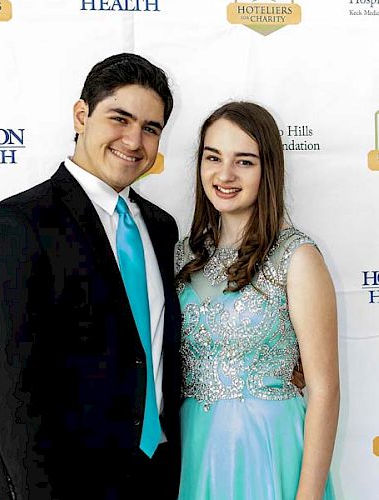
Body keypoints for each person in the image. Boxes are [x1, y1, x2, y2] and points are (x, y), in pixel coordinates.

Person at [0, 53, 182, 500]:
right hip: (58, 484)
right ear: (82, 115)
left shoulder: (161, 228)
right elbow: (9, 388)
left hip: (151, 479)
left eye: (150, 128)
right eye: (119, 118)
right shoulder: (19, 223)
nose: (134, 140)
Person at [175, 101, 339, 499]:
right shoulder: (183, 255)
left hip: (268, 448)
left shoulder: (297, 257)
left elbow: (324, 390)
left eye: (244, 162)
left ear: (268, 170)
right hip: (194, 448)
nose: (225, 174)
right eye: (213, 157)